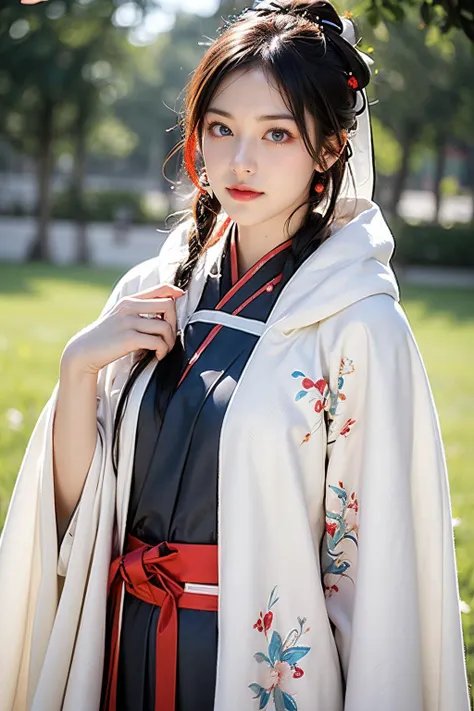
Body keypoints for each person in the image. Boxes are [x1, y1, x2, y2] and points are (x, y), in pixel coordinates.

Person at [0, 2, 470, 710]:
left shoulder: (360, 329)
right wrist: (77, 369)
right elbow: (75, 517)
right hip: (121, 648)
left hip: (252, 664)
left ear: (329, 149)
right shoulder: (154, 292)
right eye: (221, 128)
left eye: (276, 133)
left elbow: (372, 580)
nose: (240, 160)